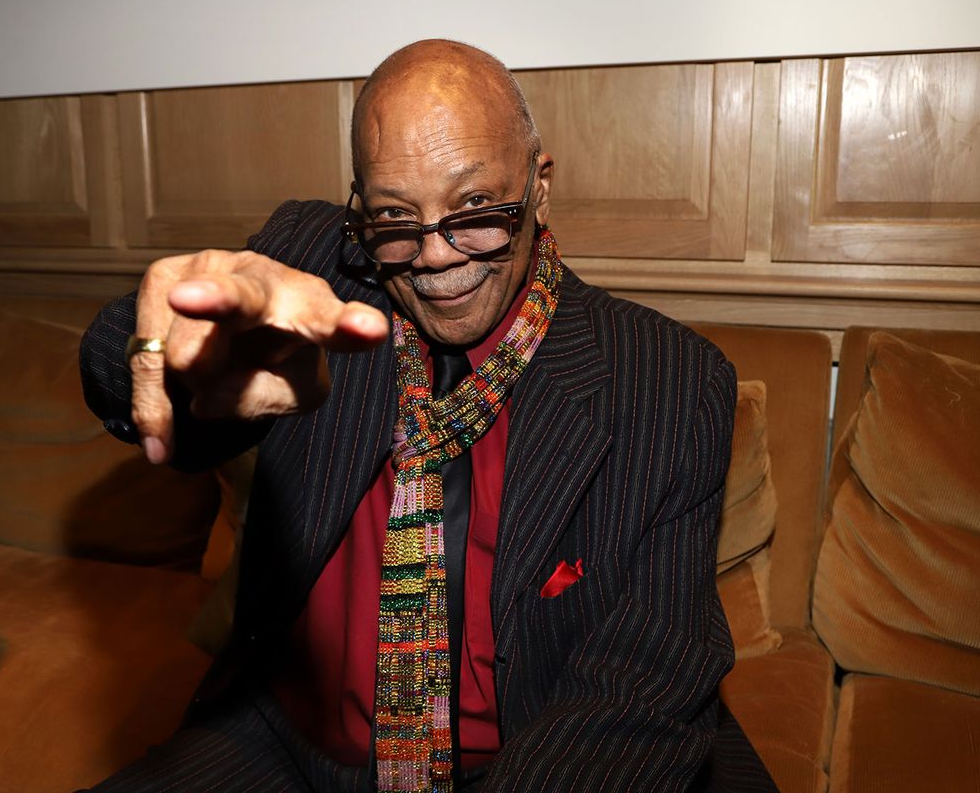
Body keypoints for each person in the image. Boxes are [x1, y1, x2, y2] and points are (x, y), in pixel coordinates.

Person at [80, 39, 775, 792]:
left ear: (539, 187)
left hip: (534, 760)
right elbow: (133, 358)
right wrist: (167, 357)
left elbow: (635, 694)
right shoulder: (315, 265)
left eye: (477, 209)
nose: (437, 256)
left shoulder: (670, 382)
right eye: (396, 218)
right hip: (287, 741)